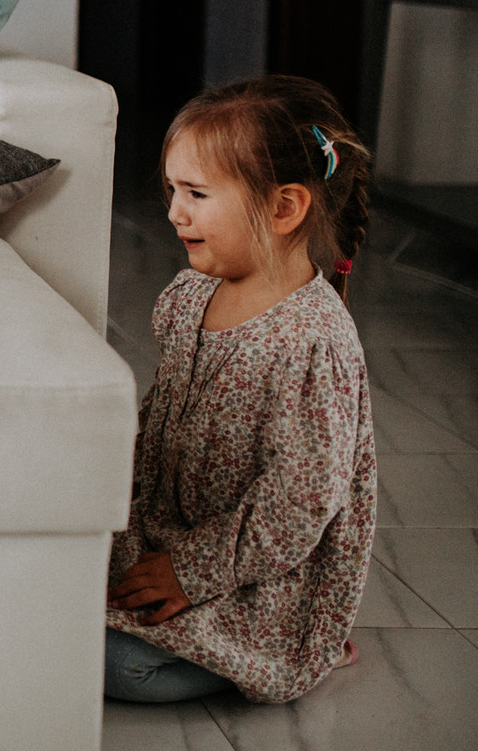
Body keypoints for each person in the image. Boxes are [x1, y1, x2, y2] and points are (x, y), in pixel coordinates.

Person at [104, 75, 376, 705]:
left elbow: (300, 503)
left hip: (254, 573)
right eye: (173, 189)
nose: (174, 211)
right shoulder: (190, 295)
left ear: (284, 208)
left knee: (119, 666)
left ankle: (290, 655)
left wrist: (191, 571)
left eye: (196, 193)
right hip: (172, 530)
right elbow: (163, 421)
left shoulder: (311, 342)